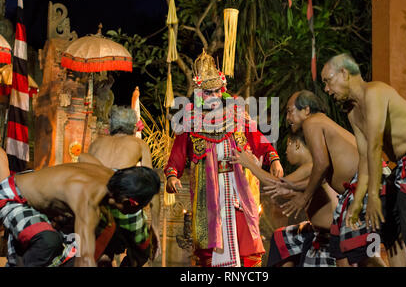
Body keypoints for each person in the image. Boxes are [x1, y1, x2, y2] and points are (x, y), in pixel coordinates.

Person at [321, 53, 406, 267]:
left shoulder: (374, 92)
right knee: (389, 223)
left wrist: (372, 195)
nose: (326, 89)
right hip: (404, 168)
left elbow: (375, 146)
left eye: (328, 81)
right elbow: (364, 160)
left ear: (344, 73)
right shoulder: (353, 113)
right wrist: (357, 202)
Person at [164, 50, 283, 267]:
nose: (213, 96)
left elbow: (258, 139)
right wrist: (172, 176)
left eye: (217, 91)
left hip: (239, 189)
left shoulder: (237, 113)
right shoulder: (188, 121)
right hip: (207, 192)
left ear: (223, 89)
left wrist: (273, 159)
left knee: (246, 242)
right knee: (209, 247)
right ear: (199, 92)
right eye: (208, 92)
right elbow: (177, 156)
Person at [284, 90, 388, 267]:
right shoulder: (323, 124)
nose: (287, 118)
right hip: (366, 184)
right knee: (347, 251)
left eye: (290, 111)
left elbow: (321, 165)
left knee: (358, 252)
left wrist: (303, 197)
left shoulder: (312, 122)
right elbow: (322, 173)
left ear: (306, 110)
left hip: (367, 183)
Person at [0, 162, 160, 267]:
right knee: (47, 241)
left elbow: (85, 157)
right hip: (14, 196)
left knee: (71, 247)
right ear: (130, 203)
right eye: (141, 208)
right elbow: (85, 259)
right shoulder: (88, 199)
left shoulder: (112, 176)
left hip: (37, 200)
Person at [232, 129, 338, 267]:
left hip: (330, 236)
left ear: (296, 144)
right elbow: (285, 190)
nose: (286, 152)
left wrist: (249, 165)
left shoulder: (311, 167)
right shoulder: (310, 168)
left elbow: (279, 185)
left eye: (287, 145)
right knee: (281, 237)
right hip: (313, 229)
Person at [79, 105, 160, 266]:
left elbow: (85, 176)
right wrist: (155, 228)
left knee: (103, 255)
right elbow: (152, 188)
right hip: (124, 207)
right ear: (133, 125)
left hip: (98, 207)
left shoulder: (96, 144)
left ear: (111, 124)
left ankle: (106, 256)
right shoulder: (139, 144)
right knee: (143, 252)